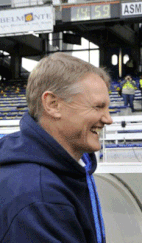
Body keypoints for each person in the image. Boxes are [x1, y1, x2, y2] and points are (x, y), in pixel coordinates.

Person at [0, 52, 113, 242]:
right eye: (98, 107)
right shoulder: (40, 197)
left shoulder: (37, 169)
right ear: (53, 105)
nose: (108, 119)